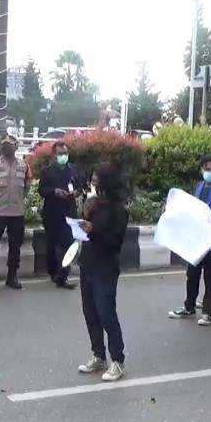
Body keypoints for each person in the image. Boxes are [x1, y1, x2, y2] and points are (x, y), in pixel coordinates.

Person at [75, 163, 131, 382]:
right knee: (90, 313)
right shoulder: (94, 205)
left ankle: (117, 360)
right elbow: (87, 229)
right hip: (87, 262)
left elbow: (114, 242)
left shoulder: (119, 211)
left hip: (105, 267)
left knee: (106, 313)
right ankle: (98, 355)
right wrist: (83, 218)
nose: (94, 183)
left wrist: (93, 231)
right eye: (93, 180)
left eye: (97, 180)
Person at [168, 155, 211, 327]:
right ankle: (189, 307)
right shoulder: (198, 187)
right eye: (208, 169)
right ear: (202, 169)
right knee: (192, 274)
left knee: (210, 277)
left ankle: (207, 312)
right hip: (198, 241)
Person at [0, 136, 31, 290]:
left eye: (10, 145)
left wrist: (18, 199)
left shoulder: (24, 166)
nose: (6, 147)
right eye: (4, 145)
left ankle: (12, 276)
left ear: (16, 146)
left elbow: (26, 187)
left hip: (17, 212)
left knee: (15, 247)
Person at [37, 141, 80, 290]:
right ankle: (53, 272)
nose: (63, 156)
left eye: (65, 153)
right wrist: (54, 192)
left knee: (69, 244)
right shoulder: (47, 172)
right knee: (52, 244)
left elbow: (80, 186)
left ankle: (63, 275)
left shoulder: (73, 170)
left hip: (69, 212)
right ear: (54, 155)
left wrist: (75, 193)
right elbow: (42, 190)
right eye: (60, 154)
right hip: (52, 212)